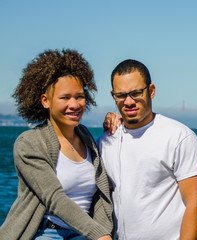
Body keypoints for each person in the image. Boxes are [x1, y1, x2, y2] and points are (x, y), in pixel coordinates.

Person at [0, 49, 113, 240]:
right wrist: (100, 235)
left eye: (79, 96)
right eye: (65, 97)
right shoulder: (29, 143)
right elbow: (55, 199)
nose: (74, 104)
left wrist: (116, 121)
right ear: (46, 101)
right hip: (46, 232)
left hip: (84, 233)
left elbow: (101, 194)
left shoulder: (86, 137)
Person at [99, 59, 197, 239]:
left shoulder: (179, 137)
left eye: (136, 93)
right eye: (121, 95)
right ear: (113, 95)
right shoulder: (105, 141)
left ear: (151, 91)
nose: (128, 101)